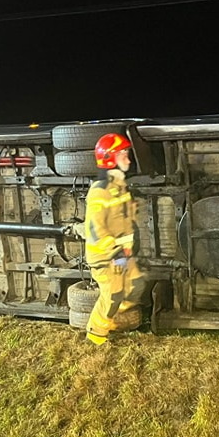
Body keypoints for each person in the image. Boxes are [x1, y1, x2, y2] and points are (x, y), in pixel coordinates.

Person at [84, 133, 146, 345]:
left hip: (122, 254)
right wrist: (115, 249)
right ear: (110, 158)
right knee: (113, 295)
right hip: (105, 256)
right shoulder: (99, 192)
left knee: (136, 286)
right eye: (123, 155)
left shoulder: (118, 186)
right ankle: (95, 336)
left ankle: (111, 322)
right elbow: (95, 229)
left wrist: (130, 243)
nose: (128, 160)